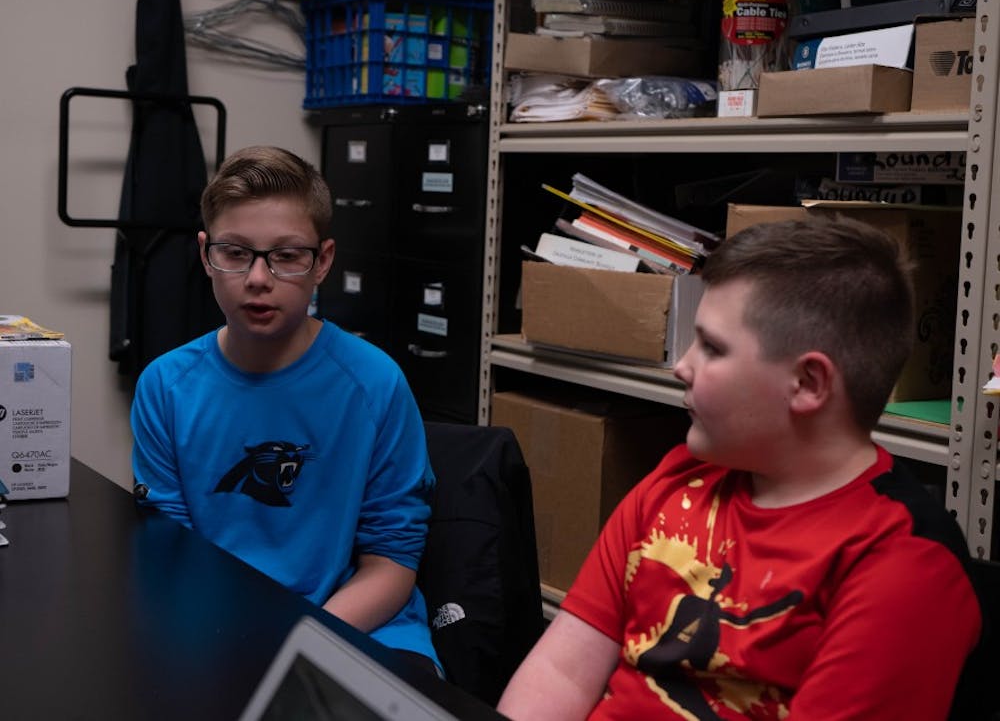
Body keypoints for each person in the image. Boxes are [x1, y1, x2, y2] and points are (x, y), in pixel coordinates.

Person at [497, 218, 982, 720]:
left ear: (808, 382)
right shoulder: (678, 478)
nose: (682, 366)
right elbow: (562, 672)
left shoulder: (901, 561)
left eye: (712, 347)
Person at [130, 145, 440, 672]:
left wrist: (301, 642)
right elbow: (175, 552)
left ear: (322, 261)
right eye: (235, 253)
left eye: (287, 256)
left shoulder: (374, 382)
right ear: (206, 255)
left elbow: (391, 561)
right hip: (217, 624)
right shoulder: (166, 387)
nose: (258, 278)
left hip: (359, 624)